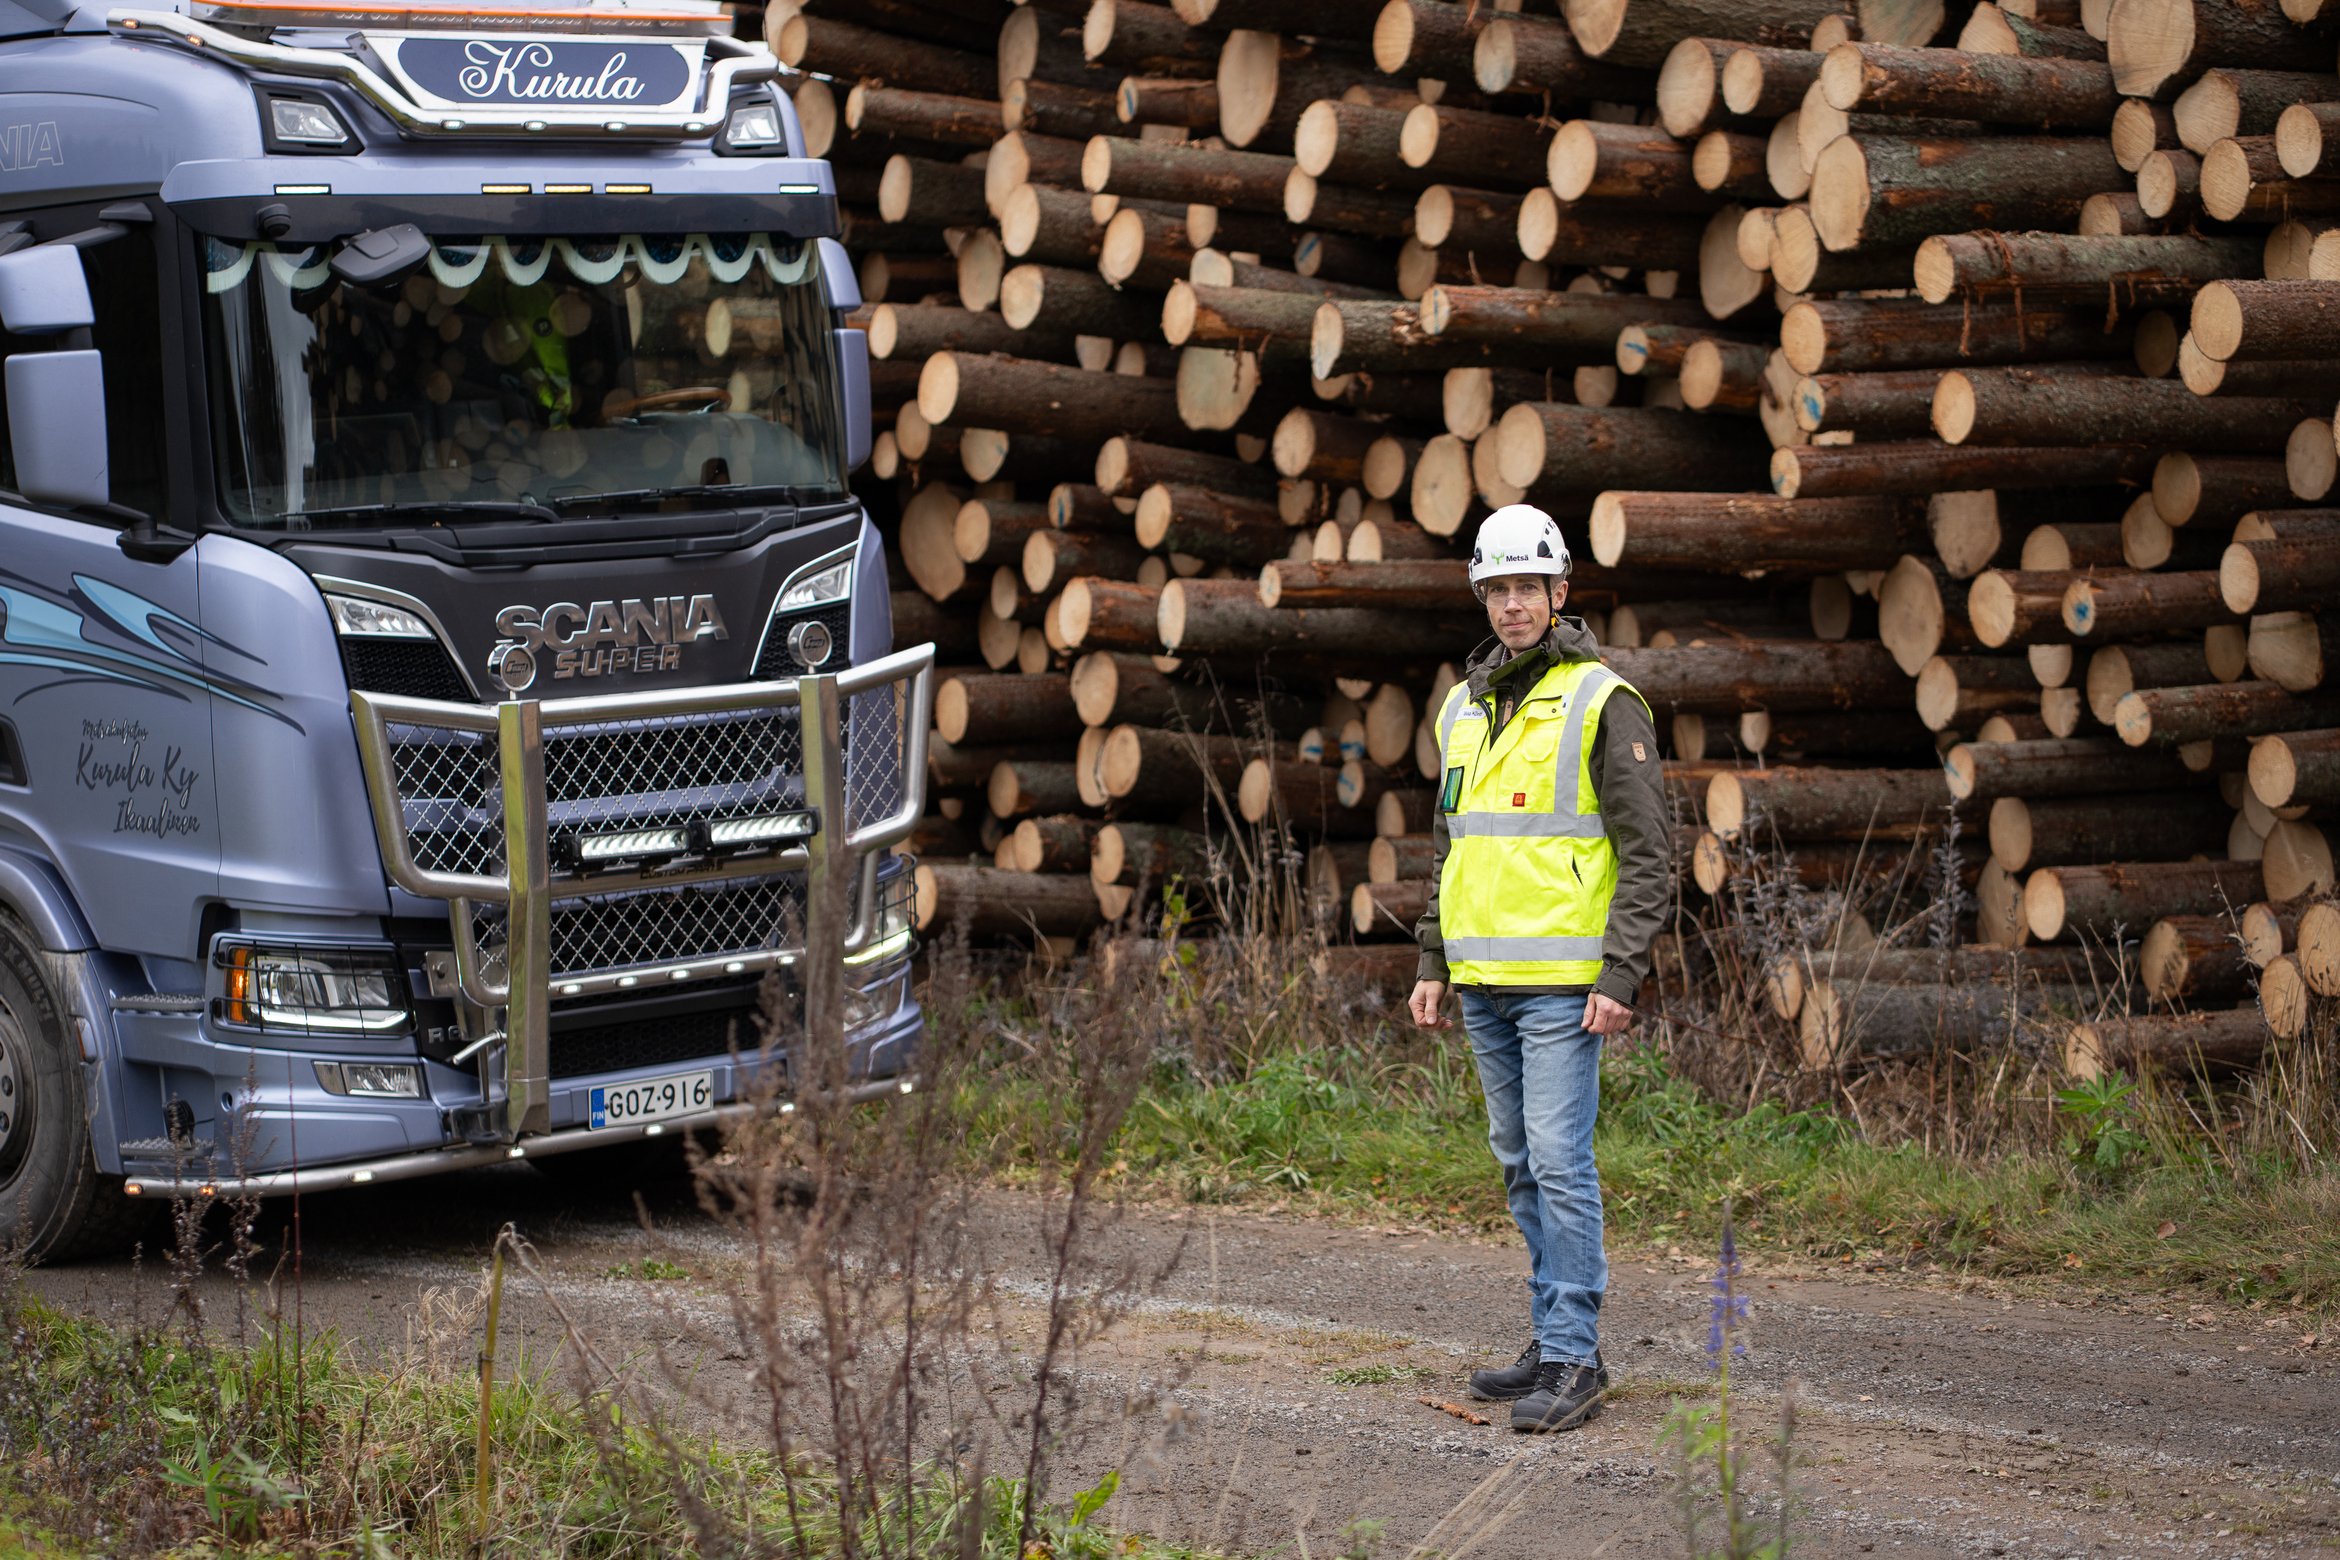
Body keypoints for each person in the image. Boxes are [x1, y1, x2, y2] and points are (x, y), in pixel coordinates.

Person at [1408, 503, 1670, 1434]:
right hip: (1483, 981)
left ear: (1561, 593)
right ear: (1482, 594)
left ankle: (1575, 1358)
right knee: (1519, 1164)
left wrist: (1620, 975)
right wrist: (1434, 957)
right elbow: (1453, 842)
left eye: (1529, 587)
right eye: (1499, 588)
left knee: (1561, 1164)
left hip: (1568, 984)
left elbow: (1649, 856)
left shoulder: (1607, 701)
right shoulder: (1463, 706)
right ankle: (1550, 1335)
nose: (1514, 604)